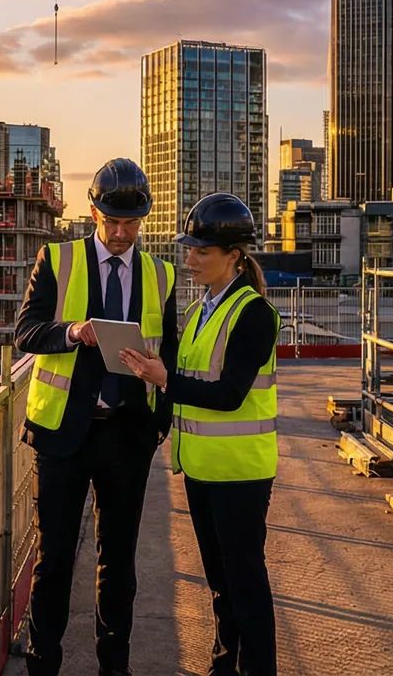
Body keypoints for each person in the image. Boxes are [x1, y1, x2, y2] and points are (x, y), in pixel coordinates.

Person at [13, 158, 179, 676]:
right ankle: (44, 662)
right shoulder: (56, 259)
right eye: (113, 222)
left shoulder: (161, 273)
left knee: (118, 563)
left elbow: (169, 355)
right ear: (93, 213)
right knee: (55, 559)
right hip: (62, 437)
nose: (123, 233)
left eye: (132, 223)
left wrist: (156, 427)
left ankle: (115, 665)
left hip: (126, 437)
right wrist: (73, 331)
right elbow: (25, 332)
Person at [119, 193, 278, 676]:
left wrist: (163, 378)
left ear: (234, 256)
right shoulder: (201, 310)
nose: (188, 260)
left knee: (245, 585)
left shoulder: (253, 313)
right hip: (202, 469)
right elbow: (187, 385)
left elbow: (229, 394)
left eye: (200, 252)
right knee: (220, 584)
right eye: (188, 249)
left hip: (239, 474)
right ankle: (223, 667)